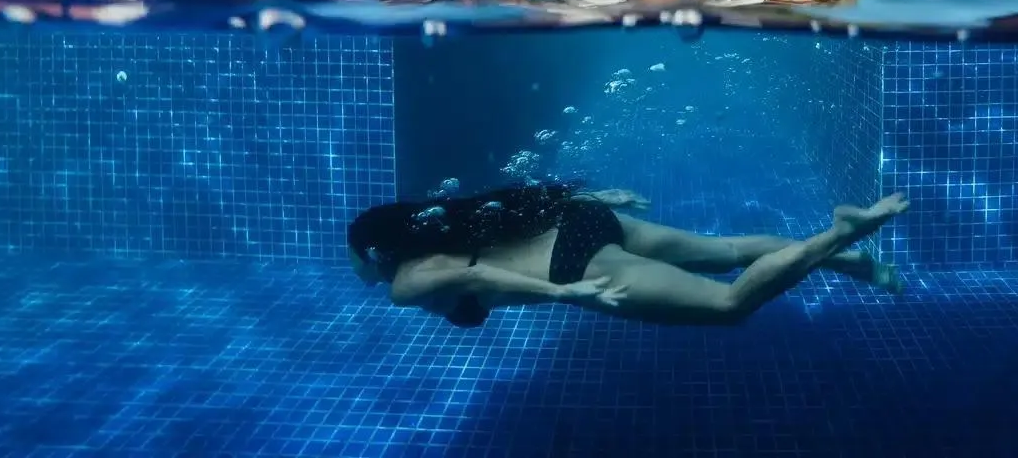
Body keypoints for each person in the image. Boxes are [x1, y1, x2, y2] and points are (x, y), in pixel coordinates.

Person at [346, 182, 909, 327]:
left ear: (376, 253)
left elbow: (485, 272)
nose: (353, 267)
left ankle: (842, 235)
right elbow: (512, 202)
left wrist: (562, 292)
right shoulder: (446, 227)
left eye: (354, 257)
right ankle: (856, 263)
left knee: (728, 304)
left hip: (573, 263)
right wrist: (600, 199)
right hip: (582, 219)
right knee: (729, 249)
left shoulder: (407, 282)